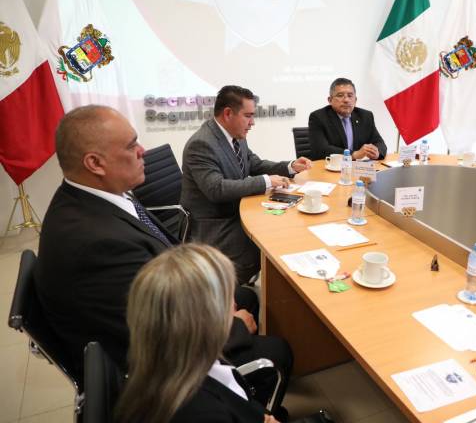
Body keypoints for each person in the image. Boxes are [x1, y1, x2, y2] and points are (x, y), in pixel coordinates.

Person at [35, 106, 291, 416]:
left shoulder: (97, 197)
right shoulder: (97, 244)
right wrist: (232, 326)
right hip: (159, 367)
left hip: (166, 310)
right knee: (278, 349)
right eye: (131, 145)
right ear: (95, 163)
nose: (142, 150)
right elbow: (157, 336)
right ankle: (255, 410)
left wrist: (218, 298)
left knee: (244, 296)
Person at [115, 244, 278, 423]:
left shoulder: (168, 367)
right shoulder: (203, 414)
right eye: (228, 297)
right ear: (206, 323)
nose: (234, 305)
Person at [181, 85, 312, 284]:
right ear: (228, 114)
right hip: (215, 224)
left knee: (283, 230)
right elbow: (216, 189)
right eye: (248, 116)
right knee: (273, 241)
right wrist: (266, 181)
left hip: (236, 211)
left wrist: (290, 166)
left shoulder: (235, 134)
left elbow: (254, 164)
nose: (252, 123)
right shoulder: (202, 144)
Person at [308, 77, 387, 161]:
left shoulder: (365, 116)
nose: (346, 100)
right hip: (330, 166)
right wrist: (353, 155)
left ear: (355, 100)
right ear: (330, 100)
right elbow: (320, 150)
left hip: (359, 167)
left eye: (350, 95)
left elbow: (380, 143)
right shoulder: (318, 117)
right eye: (340, 95)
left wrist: (376, 152)